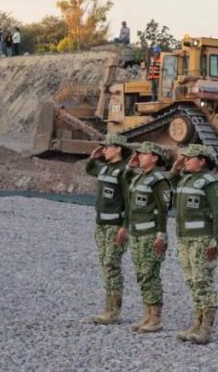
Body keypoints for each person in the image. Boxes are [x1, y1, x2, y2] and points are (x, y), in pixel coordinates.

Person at [169, 144, 218, 345]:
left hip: (202, 239)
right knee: (192, 281)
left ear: (202, 160)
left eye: (189, 158)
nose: (185, 160)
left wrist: (215, 242)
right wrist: (176, 169)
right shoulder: (186, 179)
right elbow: (168, 185)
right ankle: (196, 322)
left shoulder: (210, 184)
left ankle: (206, 328)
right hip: (185, 238)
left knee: (203, 281)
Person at [120, 142, 173, 333]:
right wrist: (130, 165)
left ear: (155, 158)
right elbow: (124, 178)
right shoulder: (140, 177)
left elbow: (163, 210)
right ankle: (147, 314)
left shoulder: (158, 180)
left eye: (144, 154)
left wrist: (161, 234)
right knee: (142, 275)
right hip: (137, 233)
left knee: (150, 274)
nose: (140, 157)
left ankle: (156, 318)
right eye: (139, 154)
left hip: (150, 235)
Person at [85, 134, 131, 325]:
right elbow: (90, 169)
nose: (104, 150)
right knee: (105, 264)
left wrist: (125, 227)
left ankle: (114, 310)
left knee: (112, 265)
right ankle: (108, 307)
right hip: (102, 224)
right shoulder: (105, 167)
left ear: (118, 148)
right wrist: (92, 157)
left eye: (108, 147)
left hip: (115, 226)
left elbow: (130, 201)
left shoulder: (124, 171)